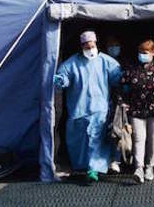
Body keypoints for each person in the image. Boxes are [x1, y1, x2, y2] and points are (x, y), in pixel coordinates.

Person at [53, 30, 123, 183]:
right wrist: (60, 80)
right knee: (78, 140)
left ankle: (94, 168)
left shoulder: (107, 61)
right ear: (81, 45)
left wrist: (126, 84)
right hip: (78, 109)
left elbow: (118, 78)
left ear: (96, 43)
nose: (90, 48)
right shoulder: (72, 63)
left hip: (100, 109)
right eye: (86, 45)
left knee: (95, 139)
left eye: (92, 45)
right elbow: (63, 75)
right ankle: (81, 166)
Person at [118, 39, 154, 184]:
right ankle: (139, 168)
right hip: (136, 110)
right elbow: (122, 86)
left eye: (145, 52)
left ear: (153, 52)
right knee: (138, 139)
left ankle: (150, 167)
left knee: (153, 140)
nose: (142, 55)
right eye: (140, 52)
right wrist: (123, 103)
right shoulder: (132, 68)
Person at [103, 35, 126, 174]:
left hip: (121, 104)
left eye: (116, 45)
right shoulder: (102, 62)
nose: (114, 48)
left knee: (118, 133)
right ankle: (106, 160)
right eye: (111, 46)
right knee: (105, 133)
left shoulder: (125, 63)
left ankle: (116, 160)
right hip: (104, 103)